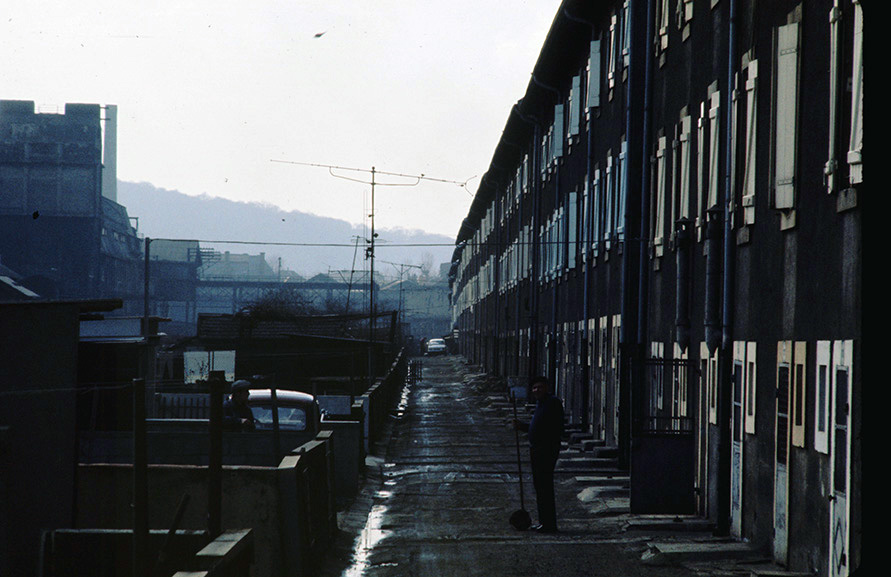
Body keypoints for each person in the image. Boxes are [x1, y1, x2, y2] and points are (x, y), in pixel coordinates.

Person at [515, 375, 564, 532]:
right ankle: (545, 522)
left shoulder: (552, 403)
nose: (537, 390)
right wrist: (522, 426)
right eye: (534, 388)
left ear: (547, 388)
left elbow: (554, 428)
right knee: (540, 487)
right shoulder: (540, 404)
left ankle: (549, 525)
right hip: (537, 450)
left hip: (546, 451)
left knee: (544, 488)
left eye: (540, 387)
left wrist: (545, 443)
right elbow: (536, 426)